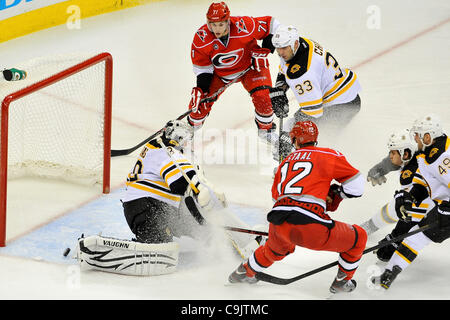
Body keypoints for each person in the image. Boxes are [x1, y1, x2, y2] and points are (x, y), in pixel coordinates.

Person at [228, 120, 367, 294]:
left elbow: (275, 197)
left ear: (294, 140)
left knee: (274, 250)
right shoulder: (328, 154)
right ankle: (341, 282)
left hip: (278, 223)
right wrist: (338, 193)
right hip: (311, 226)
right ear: (315, 138)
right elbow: (357, 187)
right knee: (358, 237)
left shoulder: (284, 163)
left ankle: (243, 272)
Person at [77, 120, 229, 276]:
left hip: (156, 206)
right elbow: (181, 182)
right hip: (147, 205)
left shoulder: (160, 148)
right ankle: (102, 252)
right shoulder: (164, 149)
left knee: (203, 232)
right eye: (185, 139)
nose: (187, 143)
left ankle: (223, 241)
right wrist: (200, 190)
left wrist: (207, 221)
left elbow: (187, 194)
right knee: (161, 249)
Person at [371, 114, 450, 289]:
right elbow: (424, 182)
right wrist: (410, 197)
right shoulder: (427, 154)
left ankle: (387, 276)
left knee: (415, 236)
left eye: (417, 135)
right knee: (415, 238)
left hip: (447, 209)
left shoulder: (444, 157)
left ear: (428, 137)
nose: (415, 138)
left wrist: (447, 212)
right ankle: (387, 277)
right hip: (444, 207)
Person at [187, 1, 283, 143]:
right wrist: (201, 89)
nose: (217, 29)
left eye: (221, 24)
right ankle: (187, 135)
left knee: (264, 98)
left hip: (251, 67)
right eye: (213, 24)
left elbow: (272, 25)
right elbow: (204, 69)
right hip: (220, 75)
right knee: (198, 107)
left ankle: (266, 132)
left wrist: (266, 49)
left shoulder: (243, 25)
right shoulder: (201, 38)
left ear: (228, 21)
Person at [269, 25, 362, 159]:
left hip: (341, 105)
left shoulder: (303, 74)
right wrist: (280, 89)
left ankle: (296, 165)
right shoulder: (301, 44)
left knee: (310, 138)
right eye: (278, 48)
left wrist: (288, 136)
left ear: (294, 44)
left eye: (284, 48)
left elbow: (313, 113)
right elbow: (285, 67)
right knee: (308, 136)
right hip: (346, 96)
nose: (280, 53)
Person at [360, 129, 434, 262]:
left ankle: (370, 229)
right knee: (398, 206)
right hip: (423, 201)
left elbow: (413, 214)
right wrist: (377, 170)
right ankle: (369, 227)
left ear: (406, 153)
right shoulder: (412, 156)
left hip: (432, 206)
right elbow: (391, 162)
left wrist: (394, 239)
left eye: (393, 152)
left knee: (398, 208)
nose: (390, 156)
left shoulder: (416, 171)